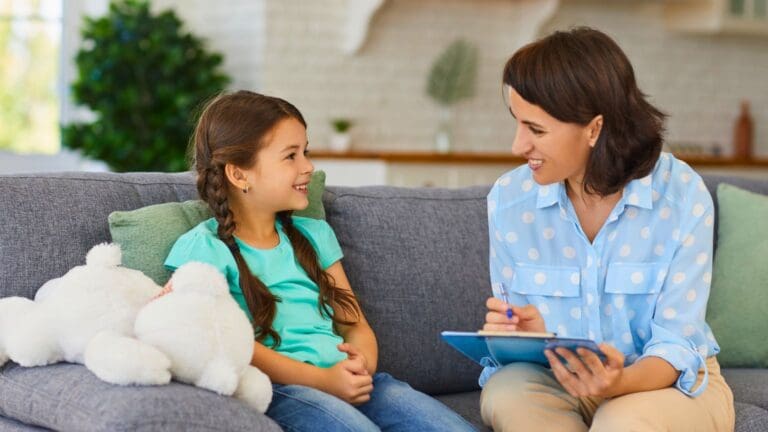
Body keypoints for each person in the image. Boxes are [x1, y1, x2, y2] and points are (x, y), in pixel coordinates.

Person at [162, 90, 476, 432]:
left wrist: (362, 365)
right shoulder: (203, 249)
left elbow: (354, 323)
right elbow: (232, 343)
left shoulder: (314, 235)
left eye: (305, 152)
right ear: (240, 175)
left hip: (352, 380)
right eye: (290, 156)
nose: (308, 166)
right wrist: (323, 380)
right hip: (284, 391)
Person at [480, 27, 734, 432]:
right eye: (518, 123)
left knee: (622, 420)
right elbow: (522, 346)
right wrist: (525, 338)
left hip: (664, 386)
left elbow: (676, 345)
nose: (517, 146)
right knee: (507, 392)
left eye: (536, 130)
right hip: (560, 380)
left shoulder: (681, 196)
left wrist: (618, 382)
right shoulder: (509, 202)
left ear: (595, 128)